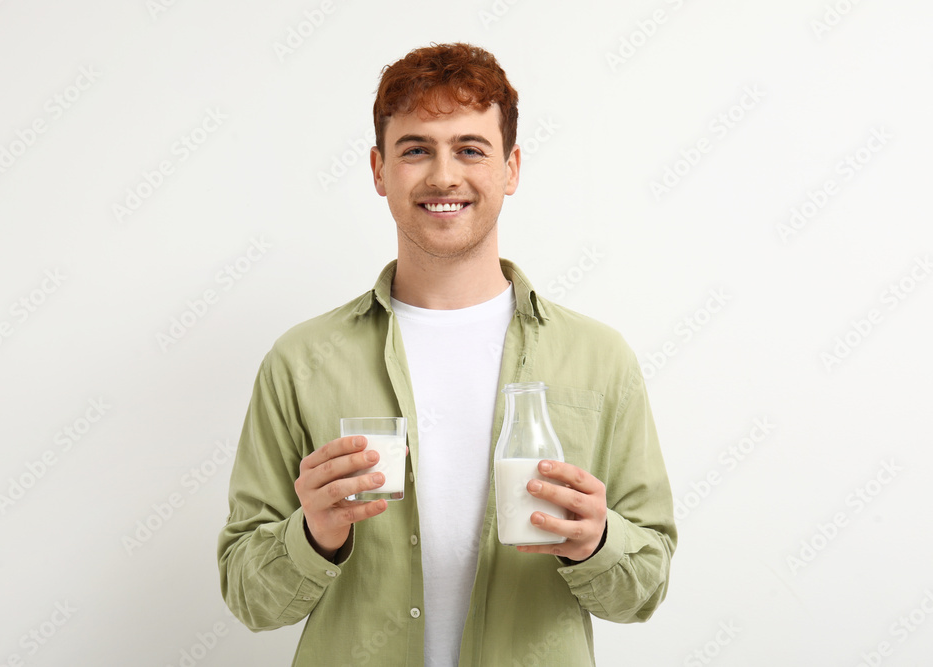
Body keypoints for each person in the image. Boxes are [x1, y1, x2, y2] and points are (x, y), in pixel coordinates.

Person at [217, 42, 677, 666]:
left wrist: (595, 541)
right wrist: (313, 537)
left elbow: (645, 589)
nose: (443, 176)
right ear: (379, 170)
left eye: (470, 149)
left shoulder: (600, 358)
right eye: (416, 150)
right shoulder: (301, 362)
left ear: (510, 169)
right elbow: (249, 597)